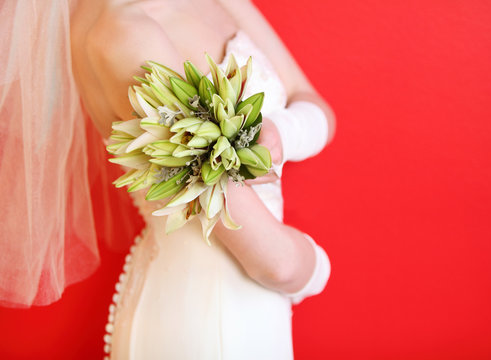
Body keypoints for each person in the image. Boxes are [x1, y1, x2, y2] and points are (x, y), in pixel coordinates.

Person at [1, 0, 336, 358]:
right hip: (209, 318)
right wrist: (318, 270)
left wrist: (278, 134)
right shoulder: (123, 33)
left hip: (242, 302)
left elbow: (315, 105)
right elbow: (278, 264)